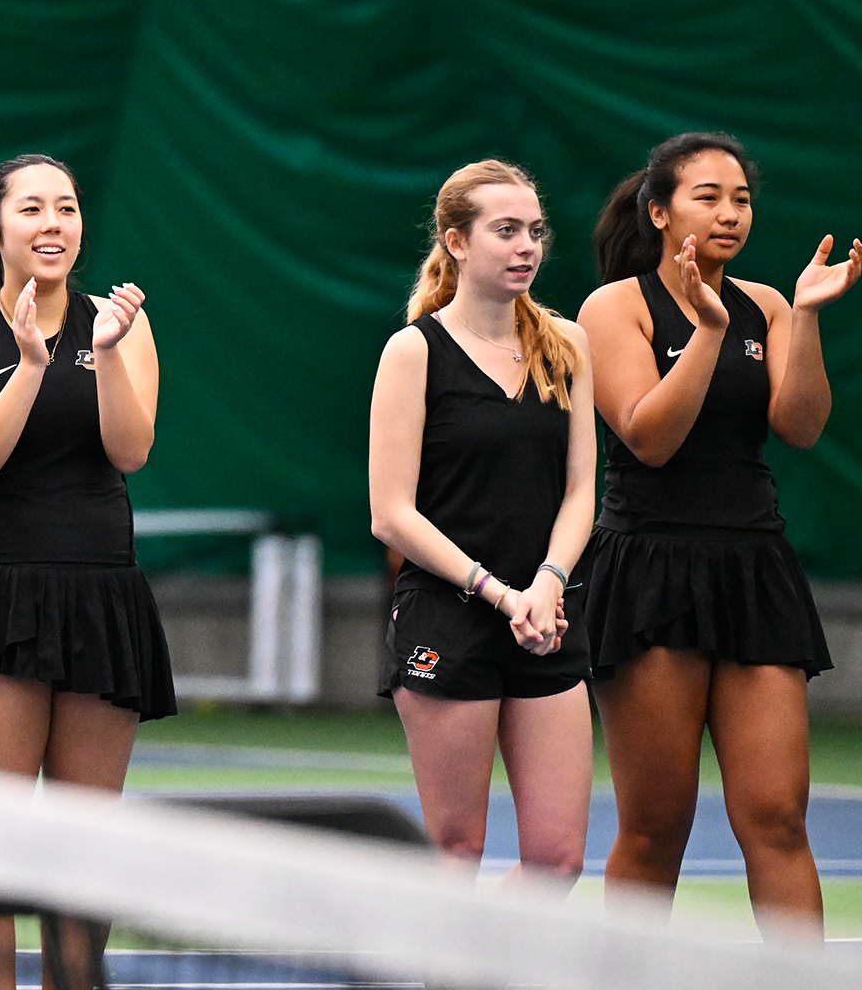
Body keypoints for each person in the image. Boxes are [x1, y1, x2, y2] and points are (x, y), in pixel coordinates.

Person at [577, 132, 859, 939]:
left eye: (741, 199)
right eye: (709, 197)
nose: (730, 213)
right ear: (660, 213)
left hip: (756, 568)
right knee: (655, 827)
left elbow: (800, 426)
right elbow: (648, 437)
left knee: (776, 817)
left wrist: (801, 317)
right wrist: (704, 330)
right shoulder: (614, 307)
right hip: (650, 572)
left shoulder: (767, 304)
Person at [0, 154, 169, 990]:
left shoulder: (120, 322)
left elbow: (130, 450)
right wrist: (28, 365)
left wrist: (108, 353)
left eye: (66, 208)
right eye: (32, 209)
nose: (53, 223)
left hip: (103, 593)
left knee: (87, 843)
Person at [367, 160, 596, 893]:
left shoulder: (567, 344)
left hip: (548, 618)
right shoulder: (412, 352)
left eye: (535, 230)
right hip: (450, 618)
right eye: (506, 231)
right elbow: (390, 514)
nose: (526, 245)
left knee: (557, 863)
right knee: (455, 855)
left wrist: (548, 585)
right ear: (457, 242)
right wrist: (504, 595)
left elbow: (584, 486)